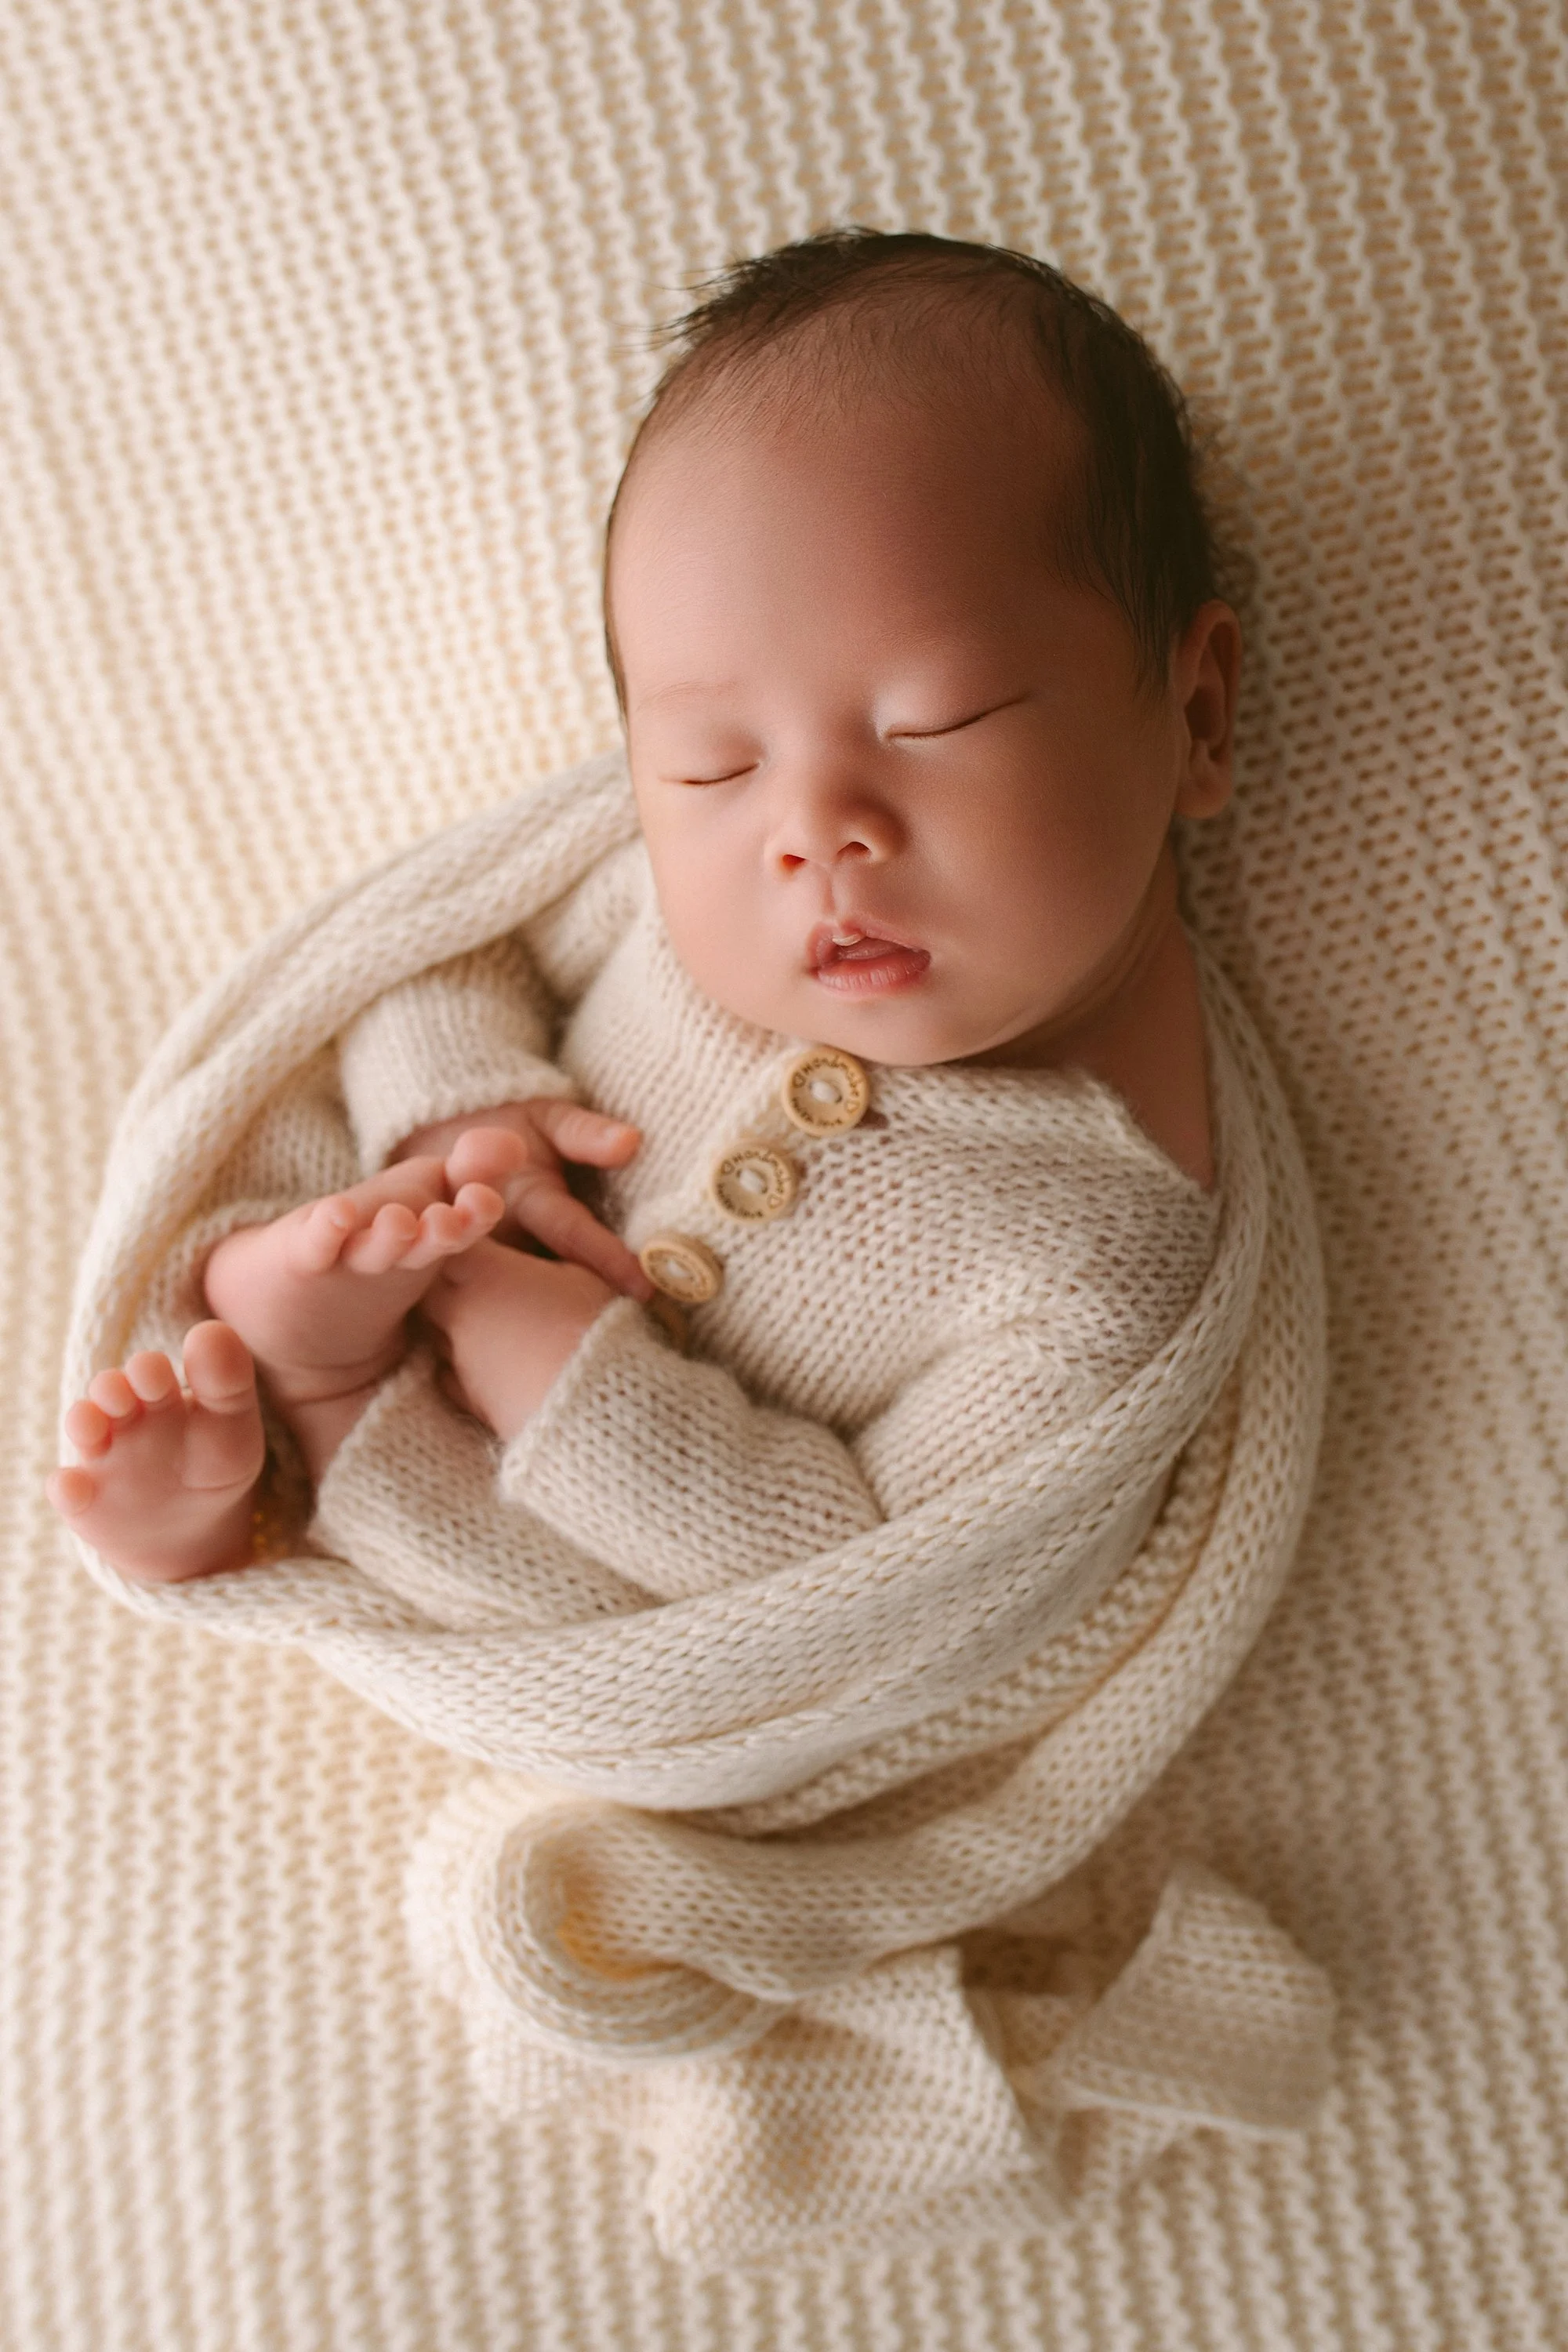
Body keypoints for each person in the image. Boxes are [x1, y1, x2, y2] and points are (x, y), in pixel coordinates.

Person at [45, 227, 1239, 1594]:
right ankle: (258, 1419)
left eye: (936, 721)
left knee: (493, 1569)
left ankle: (306, 1425)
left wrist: (558, 1371)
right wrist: (465, 1115)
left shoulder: (1102, 1257)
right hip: (418, 1234)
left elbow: (858, 1582)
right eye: (715, 765)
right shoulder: (664, 903)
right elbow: (446, 954)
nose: (810, 829)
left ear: (1197, 715)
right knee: (314, 1213)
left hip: (575, 1566)